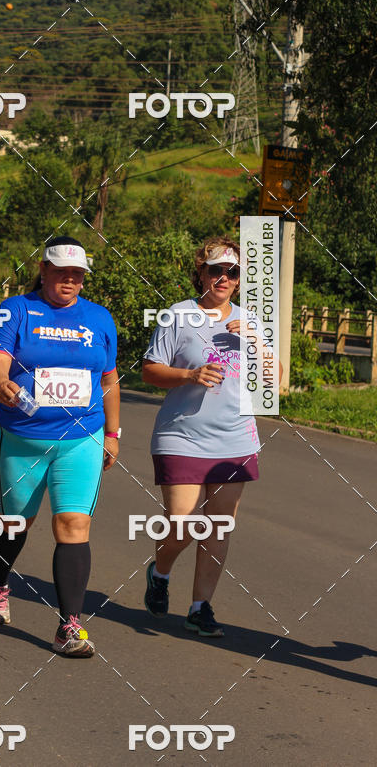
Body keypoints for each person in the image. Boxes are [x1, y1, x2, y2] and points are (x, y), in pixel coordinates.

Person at [0, 236, 120, 657]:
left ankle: (69, 626)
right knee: (15, 522)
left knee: (74, 524)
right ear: (43, 270)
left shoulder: (99, 318)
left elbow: (109, 378)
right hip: (22, 437)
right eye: (61, 272)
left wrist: (113, 433)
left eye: (77, 274)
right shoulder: (16, 309)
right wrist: (0, 383)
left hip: (81, 438)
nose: (70, 280)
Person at [142, 237, 281, 636]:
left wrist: (254, 341)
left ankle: (200, 607)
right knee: (182, 524)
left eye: (232, 272)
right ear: (201, 273)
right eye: (216, 270)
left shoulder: (251, 320)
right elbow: (150, 370)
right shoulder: (178, 315)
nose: (223, 277)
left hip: (235, 438)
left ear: (239, 280)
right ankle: (160, 572)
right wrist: (189, 375)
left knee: (219, 525)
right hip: (181, 436)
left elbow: (274, 382)